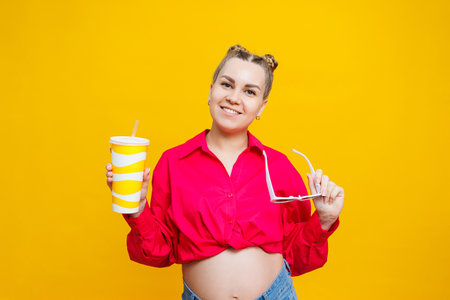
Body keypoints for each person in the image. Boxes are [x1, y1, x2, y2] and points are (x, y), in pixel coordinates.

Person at [105, 45, 344, 300]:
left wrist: (324, 220)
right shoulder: (173, 162)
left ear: (261, 107)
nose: (234, 97)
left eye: (249, 91)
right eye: (227, 85)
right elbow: (160, 251)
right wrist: (138, 210)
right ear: (211, 90)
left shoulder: (279, 167)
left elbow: (297, 257)